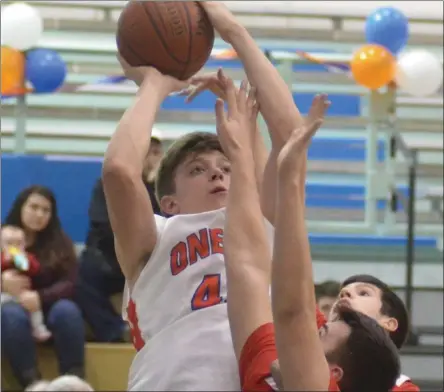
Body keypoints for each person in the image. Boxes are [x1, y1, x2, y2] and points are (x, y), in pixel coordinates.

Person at [75, 135, 164, 343]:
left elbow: (169, 223)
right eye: (145, 151)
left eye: (155, 152)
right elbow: (103, 224)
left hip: (149, 258)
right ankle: (115, 333)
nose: (148, 158)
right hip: (110, 256)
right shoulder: (108, 184)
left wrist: (153, 186)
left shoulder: (166, 188)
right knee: (84, 272)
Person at [1, 186, 85, 389]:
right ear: (21, 207)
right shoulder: (4, 236)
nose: (39, 214)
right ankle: (33, 383)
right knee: (11, 315)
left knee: (68, 311)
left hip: (48, 309)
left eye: (45, 210)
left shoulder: (60, 242)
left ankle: (73, 380)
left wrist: (39, 297)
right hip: (12, 308)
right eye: (33, 207)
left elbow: (70, 283)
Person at [1, 225, 52, 341]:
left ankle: (38, 328)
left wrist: (24, 261)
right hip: (4, 295)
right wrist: (5, 261)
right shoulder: (2, 257)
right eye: (9, 243)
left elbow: (35, 269)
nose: (14, 247)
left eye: (19, 243)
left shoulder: (27, 257)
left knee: (35, 309)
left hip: (23, 295)